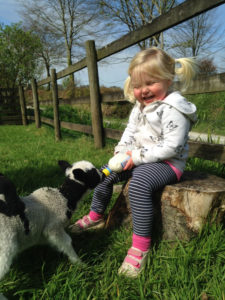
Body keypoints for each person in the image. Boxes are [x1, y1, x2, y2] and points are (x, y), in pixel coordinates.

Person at [70, 47, 198, 277]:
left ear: (168, 79)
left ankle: (140, 246)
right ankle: (96, 215)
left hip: (167, 164)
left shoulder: (174, 109)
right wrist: (121, 152)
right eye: (137, 86)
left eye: (150, 83)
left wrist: (136, 158)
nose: (143, 90)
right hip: (137, 158)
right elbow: (129, 133)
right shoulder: (139, 108)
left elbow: (172, 146)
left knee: (138, 185)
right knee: (105, 175)